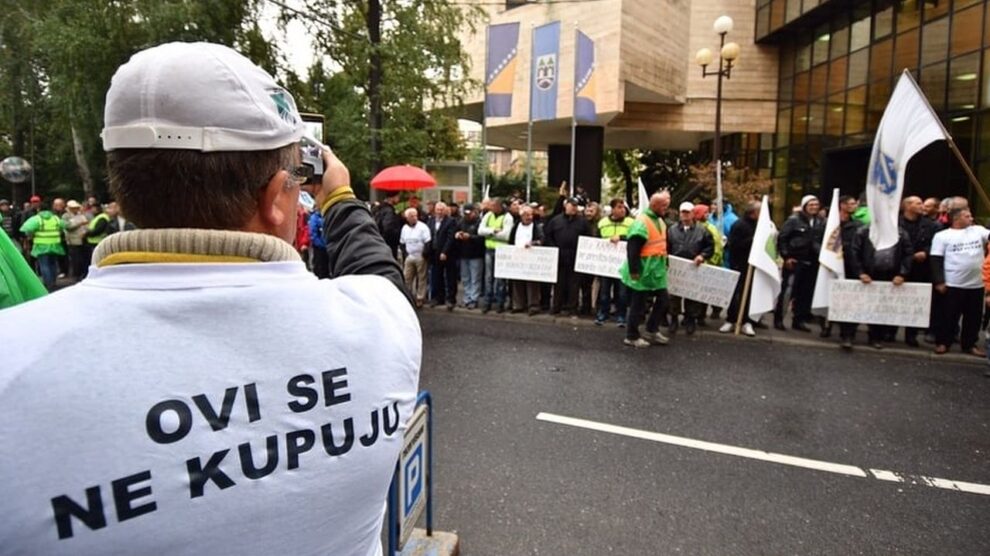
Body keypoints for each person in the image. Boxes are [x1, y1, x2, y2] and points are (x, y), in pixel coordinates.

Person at [0, 42, 419, 555]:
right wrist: (338, 196)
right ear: (275, 199)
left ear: (126, 187)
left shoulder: (14, 357)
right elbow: (379, 273)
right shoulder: (381, 321)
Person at [930, 207, 989, 357]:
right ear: (956, 218)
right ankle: (943, 342)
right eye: (967, 216)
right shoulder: (942, 236)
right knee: (948, 315)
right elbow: (936, 259)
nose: (971, 218)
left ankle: (969, 344)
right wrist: (939, 281)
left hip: (976, 283)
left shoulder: (978, 230)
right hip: (953, 283)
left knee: (973, 317)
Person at [851, 221, 913, 350]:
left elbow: (908, 254)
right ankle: (849, 336)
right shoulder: (863, 231)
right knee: (856, 306)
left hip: (889, 276)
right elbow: (854, 252)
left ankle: (876, 337)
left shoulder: (901, 232)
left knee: (880, 308)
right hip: (867, 275)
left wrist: (902, 274)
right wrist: (860, 272)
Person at [620, 192, 671, 348]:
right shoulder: (642, 222)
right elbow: (632, 249)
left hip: (655, 271)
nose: (666, 208)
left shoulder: (660, 221)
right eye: (663, 206)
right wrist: (634, 271)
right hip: (643, 270)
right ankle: (632, 336)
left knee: (663, 300)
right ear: (654, 205)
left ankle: (651, 329)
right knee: (638, 304)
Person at [777, 195, 825, 332]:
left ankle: (799, 320)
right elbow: (783, 238)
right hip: (795, 261)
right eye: (811, 204)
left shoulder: (821, 222)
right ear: (804, 206)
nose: (814, 207)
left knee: (805, 293)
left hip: (813, 263)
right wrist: (786, 257)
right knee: (788, 291)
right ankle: (779, 319)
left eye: (816, 204)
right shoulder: (793, 220)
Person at [666, 202, 713, 335]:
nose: (685, 215)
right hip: (676, 268)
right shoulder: (671, 230)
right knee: (674, 296)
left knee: (691, 296)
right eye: (682, 212)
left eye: (687, 212)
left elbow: (710, 247)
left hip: (694, 267)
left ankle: (690, 319)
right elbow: (667, 246)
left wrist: (702, 256)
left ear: (693, 214)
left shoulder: (703, 231)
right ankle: (674, 319)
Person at [899, 196, 938, 347]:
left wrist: (926, 252)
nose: (922, 206)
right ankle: (889, 331)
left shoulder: (931, 225)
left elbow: (935, 242)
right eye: (918, 203)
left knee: (916, 302)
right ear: (908, 206)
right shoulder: (896, 222)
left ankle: (911, 334)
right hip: (900, 265)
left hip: (920, 267)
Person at [544, 197, 591, 316]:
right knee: (558, 284)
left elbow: (588, 238)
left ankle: (572, 309)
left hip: (575, 256)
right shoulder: (555, 221)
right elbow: (548, 236)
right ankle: (556, 307)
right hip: (559, 256)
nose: (574, 208)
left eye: (576, 206)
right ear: (566, 206)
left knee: (574, 285)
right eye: (572, 205)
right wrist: (553, 249)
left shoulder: (583, 222)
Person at [830, 196, 866, 350]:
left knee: (849, 301)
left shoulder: (858, 225)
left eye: (855, 203)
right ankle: (827, 326)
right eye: (850, 203)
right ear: (842, 205)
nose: (854, 206)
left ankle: (848, 335)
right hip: (831, 264)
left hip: (851, 267)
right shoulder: (830, 223)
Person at [720, 200, 760, 337]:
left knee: (749, 294)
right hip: (738, 264)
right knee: (735, 294)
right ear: (753, 213)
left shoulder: (762, 226)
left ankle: (747, 321)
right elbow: (733, 245)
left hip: (754, 265)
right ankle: (731, 319)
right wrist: (753, 240)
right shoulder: (739, 225)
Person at [596, 198, 634, 327]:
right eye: (619, 207)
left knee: (622, 293)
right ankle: (603, 313)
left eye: (623, 207)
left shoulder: (631, 222)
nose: (622, 210)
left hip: (623, 264)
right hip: (606, 264)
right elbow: (596, 239)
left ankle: (621, 316)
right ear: (612, 209)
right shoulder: (602, 223)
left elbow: (636, 237)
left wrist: (622, 237)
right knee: (604, 291)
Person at [508, 205, 544, 315]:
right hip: (517, 257)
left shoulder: (537, 226)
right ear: (521, 216)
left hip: (531, 258)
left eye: (531, 214)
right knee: (517, 281)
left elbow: (541, 239)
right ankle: (518, 304)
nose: (529, 217)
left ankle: (533, 306)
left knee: (532, 283)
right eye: (527, 215)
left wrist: (533, 243)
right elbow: (511, 240)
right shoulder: (516, 226)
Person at [479, 197, 513, 313]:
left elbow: (506, 235)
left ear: (499, 206)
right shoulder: (488, 215)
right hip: (489, 249)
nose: (491, 208)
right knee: (488, 278)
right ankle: (487, 302)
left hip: (502, 250)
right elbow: (480, 231)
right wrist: (493, 231)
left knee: (500, 279)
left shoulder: (507, 217)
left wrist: (488, 232)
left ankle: (500, 303)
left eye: (493, 206)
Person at [426, 201, 457, 310]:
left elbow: (450, 238)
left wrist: (445, 251)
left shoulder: (451, 221)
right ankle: (438, 298)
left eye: (441, 209)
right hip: (434, 253)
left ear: (445, 210)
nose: (439, 211)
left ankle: (451, 299)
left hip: (447, 254)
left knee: (450, 277)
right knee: (436, 276)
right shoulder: (430, 221)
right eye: (438, 209)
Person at [454, 203, 485, 309]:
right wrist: (457, 235)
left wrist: (470, 237)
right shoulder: (461, 221)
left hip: (476, 254)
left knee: (475, 278)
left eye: (469, 213)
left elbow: (482, 237)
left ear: (474, 212)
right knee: (465, 278)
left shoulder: (479, 222)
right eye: (465, 213)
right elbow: (455, 231)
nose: (467, 215)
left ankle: (474, 299)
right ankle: (467, 298)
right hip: (463, 253)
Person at [400, 207, 431, 307]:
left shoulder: (423, 227)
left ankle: (420, 298)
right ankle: (407, 295)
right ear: (407, 218)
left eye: (415, 216)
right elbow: (402, 243)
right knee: (407, 277)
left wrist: (424, 254)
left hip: (420, 256)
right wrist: (406, 254)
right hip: (410, 256)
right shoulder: (404, 228)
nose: (414, 218)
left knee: (422, 278)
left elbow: (427, 242)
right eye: (411, 216)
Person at [62, 200, 90, 280]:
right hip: (73, 240)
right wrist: (79, 224)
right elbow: (67, 227)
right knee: (75, 258)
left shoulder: (80, 215)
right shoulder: (66, 216)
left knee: (83, 258)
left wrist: (86, 230)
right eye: (74, 208)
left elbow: (87, 224)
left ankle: (84, 273)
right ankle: (76, 275)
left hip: (84, 239)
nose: (76, 209)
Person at [374, 191, 403, 258]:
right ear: (392, 198)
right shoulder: (389, 211)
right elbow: (388, 229)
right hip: (389, 245)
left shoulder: (378, 209)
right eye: (397, 197)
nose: (398, 199)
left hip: (378, 242)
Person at [308, 208, 329, 278]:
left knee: (327, 268)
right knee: (319, 268)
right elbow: (313, 234)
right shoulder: (314, 218)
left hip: (328, 247)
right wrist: (321, 244)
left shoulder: (326, 216)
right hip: (319, 248)